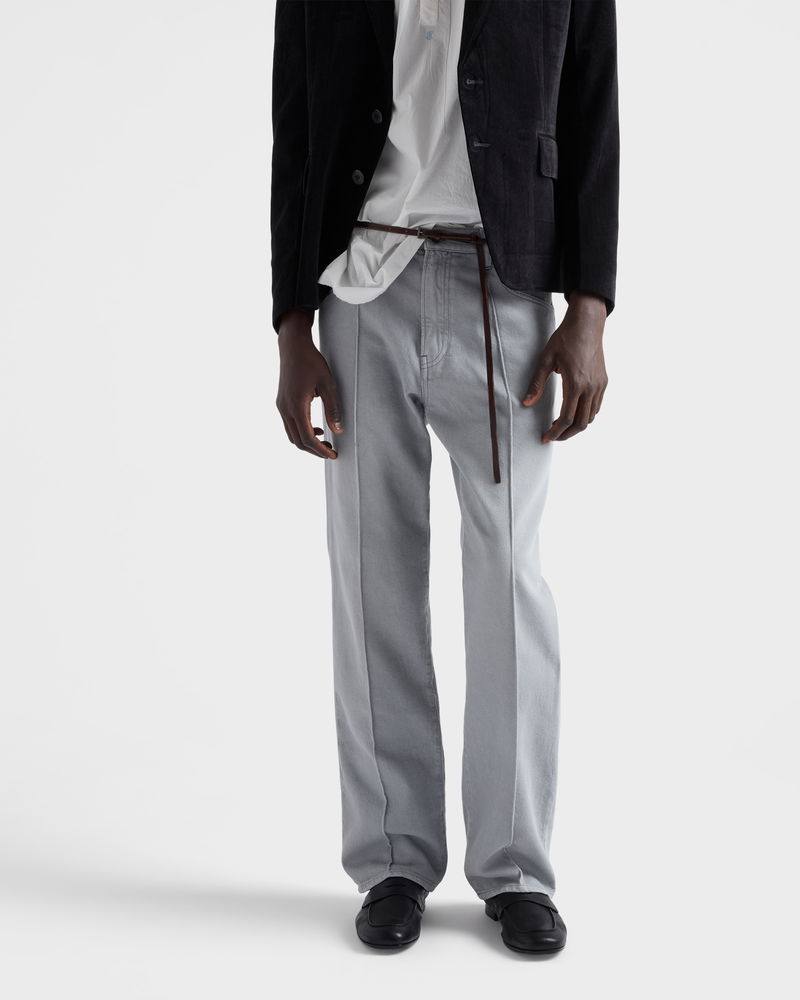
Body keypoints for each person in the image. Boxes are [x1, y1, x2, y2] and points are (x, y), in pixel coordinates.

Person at [271, 0, 618, 954]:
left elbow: (593, 113)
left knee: (510, 582)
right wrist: (291, 325)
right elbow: (296, 129)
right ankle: (392, 859)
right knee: (372, 579)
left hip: (505, 292)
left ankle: (516, 868)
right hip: (361, 290)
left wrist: (589, 310)